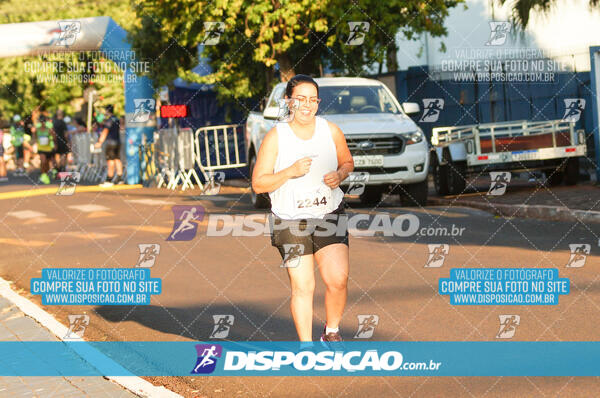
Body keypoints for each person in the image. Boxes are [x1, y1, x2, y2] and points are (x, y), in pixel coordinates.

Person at [252, 74, 354, 344]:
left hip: (328, 214)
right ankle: (306, 347)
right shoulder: (276, 137)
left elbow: (347, 161)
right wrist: (290, 172)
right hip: (290, 220)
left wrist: (340, 175)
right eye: (300, 99)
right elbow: (259, 183)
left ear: (318, 102)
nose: (307, 105)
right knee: (303, 286)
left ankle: (331, 331)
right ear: (288, 102)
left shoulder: (330, 131)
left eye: (313, 99)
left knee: (337, 279)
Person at [94, 105, 123, 185]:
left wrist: (100, 142)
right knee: (117, 159)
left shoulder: (109, 120)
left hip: (110, 142)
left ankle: (109, 179)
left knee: (110, 160)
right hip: (117, 141)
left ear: (107, 111)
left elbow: (105, 131)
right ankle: (120, 178)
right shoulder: (116, 119)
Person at [33, 115, 56, 185]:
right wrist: (35, 143)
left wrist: (51, 141)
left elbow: (54, 137)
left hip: (48, 148)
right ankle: (43, 175)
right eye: (41, 121)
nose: (42, 123)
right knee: (43, 161)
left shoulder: (49, 129)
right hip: (41, 148)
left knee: (47, 162)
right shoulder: (37, 129)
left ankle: (46, 174)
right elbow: (35, 137)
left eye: (44, 122)